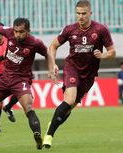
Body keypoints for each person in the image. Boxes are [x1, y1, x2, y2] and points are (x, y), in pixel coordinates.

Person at [43, 0, 116, 149]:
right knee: (69, 100)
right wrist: (53, 63)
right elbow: (53, 46)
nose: (80, 17)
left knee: (69, 108)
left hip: (88, 75)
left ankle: (53, 123)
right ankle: (49, 135)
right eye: (78, 13)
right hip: (72, 68)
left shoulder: (101, 29)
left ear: (90, 13)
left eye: (83, 14)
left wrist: (103, 56)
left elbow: (112, 52)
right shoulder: (70, 30)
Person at [0, 17, 48, 152]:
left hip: (21, 81)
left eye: (21, 32)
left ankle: (38, 136)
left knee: (28, 107)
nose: (17, 34)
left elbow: (49, 54)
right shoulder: (8, 33)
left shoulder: (35, 43)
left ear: (28, 31)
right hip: (4, 80)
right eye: (16, 31)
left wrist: (52, 68)